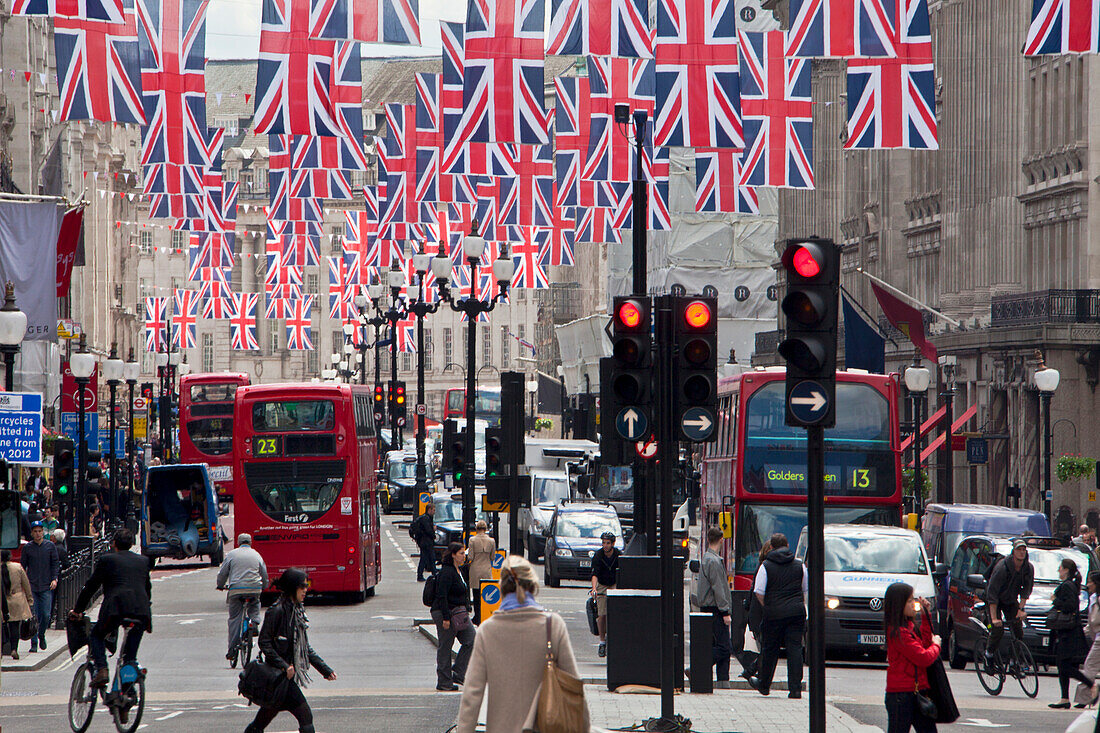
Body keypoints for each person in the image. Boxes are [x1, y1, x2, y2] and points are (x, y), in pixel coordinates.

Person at [456, 555, 587, 733]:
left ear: (501, 587)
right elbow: (574, 686)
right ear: (533, 586)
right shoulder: (552, 626)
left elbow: (472, 694)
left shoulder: (488, 631)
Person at [245, 568, 336, 733]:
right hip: (278, 677)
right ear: (293, 588)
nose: (306, 590)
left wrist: (324, 669)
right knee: (305, 716)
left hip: (285, 678)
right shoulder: (277, 610)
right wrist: (284, 665)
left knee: (264, 718)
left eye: (306, 586)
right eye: (303, 587)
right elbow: (264, 642)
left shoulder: (296, 611)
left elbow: (303, 646)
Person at [70, 529, 152, 687]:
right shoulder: (143, 561)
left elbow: (91, 586)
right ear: (132, 544)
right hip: (140, 611)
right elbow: (147, 589)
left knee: (97, 635)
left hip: (115, 609)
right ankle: (127, 691)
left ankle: (102, 669)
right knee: (129, 657)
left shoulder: (107, 560)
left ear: (114, 543)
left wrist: (78, 610)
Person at [753, 532, 807, 698]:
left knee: (770, 649)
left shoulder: (766, 566)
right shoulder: (800, 565)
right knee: (795, 649)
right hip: (796, 613)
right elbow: (805, 589)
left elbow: (759, 591)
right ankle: (795, 688)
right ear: (788, 546)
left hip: (774, 613)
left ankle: (764, 684)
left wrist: (769, 606)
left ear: (771, 547)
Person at [883, 581, 941, 733]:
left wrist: (925, 614)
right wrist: (937, 645)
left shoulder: (908, 627)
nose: (914, 603)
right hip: (901, 695)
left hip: (917, 692)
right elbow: (923, 657)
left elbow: (924, 644)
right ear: (899, 605)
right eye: (909, 600)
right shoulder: (898, 632)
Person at [217, 533, 269, 662]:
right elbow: (264, 573)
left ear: (238, 543)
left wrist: (220, 585)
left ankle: (232, 650)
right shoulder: (257, 554)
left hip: (236, 590)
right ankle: (254, 623)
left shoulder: (232, 554)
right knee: (255, 604)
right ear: (250, 542)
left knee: (235, 619)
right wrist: (264, 586)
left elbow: (223, 573)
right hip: (254, 588)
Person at [431, 542, 474, 691]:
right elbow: (442, 596)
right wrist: (445, 618)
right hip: (446, 612)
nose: (464, 556)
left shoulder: (459, 571)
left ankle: (458, 672)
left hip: (459, 613)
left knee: (471, 639)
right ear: (454, 555)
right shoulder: (447, 572)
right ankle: (444, 681)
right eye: (461, 553)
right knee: (445, 646)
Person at [985, 538, 1034, 664]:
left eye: (1024, 550)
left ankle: (1014, 660)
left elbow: (1026, 590)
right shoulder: (1003, 568)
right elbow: (992, 593)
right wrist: (995, 618)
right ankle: (989, 653)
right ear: (1013, 552)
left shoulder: (1028, 568)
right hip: (995, 600)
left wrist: (1021, 609)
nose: (1022, 552)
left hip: (1010, 600)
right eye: (1019, 550)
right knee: (997, 629)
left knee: (1018, 629)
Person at [1050, 558, 1091, 708]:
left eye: (1060, 568)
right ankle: (1064, 698)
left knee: (1064, 665)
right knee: (1063, 665)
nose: (1058, 570)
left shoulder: (1067, 586)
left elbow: (1070, 606)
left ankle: (1091, 685)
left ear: (1066, 570)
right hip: (1067, 631)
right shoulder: (1070, 585)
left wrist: (1055, 600)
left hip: (1069, 631)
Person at [695, 527, 733, 687]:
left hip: (708, 608)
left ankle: (723, 681)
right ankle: (698, 667)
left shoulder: (706, 558)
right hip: (716, 609)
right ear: (721, 540)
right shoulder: (714, 561)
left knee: (719, 644)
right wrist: (725, 610)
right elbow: (719, 587)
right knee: (724, 647)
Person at [20, 521, 58, 653]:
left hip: (46, 586)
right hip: (32, 587)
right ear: (31, 533)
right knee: (33, 616)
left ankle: (41, 634)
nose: (37, 534)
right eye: (35, 531)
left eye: (39, 531)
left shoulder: (50, 546)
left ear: (43, 532)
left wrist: (54, 579)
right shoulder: (28, 548)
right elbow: (22, 567)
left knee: (46, 615)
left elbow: (55, 564)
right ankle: (34, 643)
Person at [590, 531, 620, 658]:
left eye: (608, 543)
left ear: (613, 544)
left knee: (616, 613)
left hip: (614, 583)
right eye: (603, 543)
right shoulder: (598, 555)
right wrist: (594, 589)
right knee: (601, 614)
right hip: (603, 583)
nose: (605, 546)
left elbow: (623, 570)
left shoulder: (618, 554)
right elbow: (594, 574)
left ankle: (615, 638)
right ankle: (602, 641)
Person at [1, 549, 33, 660]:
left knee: (3, 626)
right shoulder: (18, 567)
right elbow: (26, 584)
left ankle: (1, 649)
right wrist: (29, 599)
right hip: (17, 601)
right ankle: (14, 649)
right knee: (14, 627)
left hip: (2, 602)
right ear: (10, 556)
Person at [1074, 572, 1100, 707]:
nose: (1087, 585)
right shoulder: (1093, 597)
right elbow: (1090, 623)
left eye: (1090, 582)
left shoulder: (1097, 599)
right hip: (1096, 637)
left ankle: (1084, 698)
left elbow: (1093, 622)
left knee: (1089, 666)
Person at [467, 520, 496, 625]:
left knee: (475, 595)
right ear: (485, 529)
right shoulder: (491, 541)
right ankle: (484, 615)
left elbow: (470, 556)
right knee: (484, 594)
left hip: (475, 569)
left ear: (476, 529)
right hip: (486, 569)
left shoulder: (472, 540)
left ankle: (477, 616)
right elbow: (493, 557)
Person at [410, 502, 437, 581]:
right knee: (428, 558)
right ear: (429, 509)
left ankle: (431, 574)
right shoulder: (426, 519)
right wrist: (433, 531)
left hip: (423, 541)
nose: (434, 512)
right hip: (426, 542)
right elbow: (428, 530)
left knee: (427, 558)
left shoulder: (423, 518)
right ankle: (423, 575)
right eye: (433, 510)